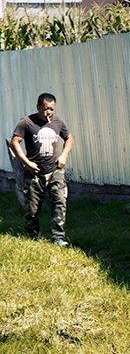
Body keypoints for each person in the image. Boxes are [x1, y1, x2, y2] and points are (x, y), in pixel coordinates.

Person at [8, 93, 75, 247]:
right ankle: (32, 237)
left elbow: (70, 138)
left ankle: (59, 238)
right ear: (38, 107)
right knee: (32, 208)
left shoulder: (58, 122)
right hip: (35, 172)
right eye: (45, 109)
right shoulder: (27, 122)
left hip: (55, 170)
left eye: (52, 109)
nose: (48, 112)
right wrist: (26, 163)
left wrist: (64, 155)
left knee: (59, 202)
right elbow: (14, 142)